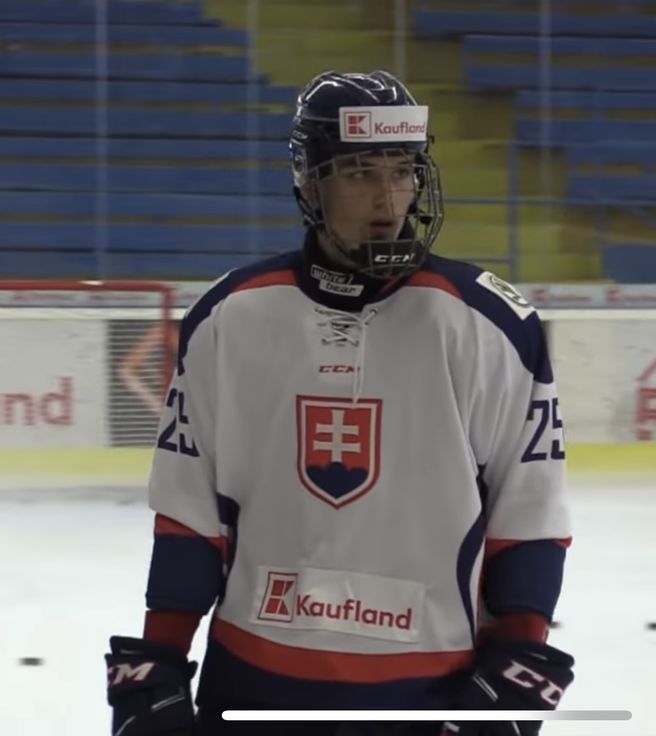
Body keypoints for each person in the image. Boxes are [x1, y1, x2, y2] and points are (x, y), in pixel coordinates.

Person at [105, 70, 574, 736]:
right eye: (358, 172)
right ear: (309, 180)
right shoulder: (230, 317)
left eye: (403, 170)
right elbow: (188, 513)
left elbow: (531, 513)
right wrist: (160, 655)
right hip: (254, 681)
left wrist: (520, 653)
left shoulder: (492, 324)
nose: (388, 198)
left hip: (433, 688)